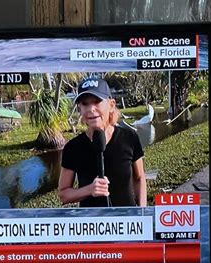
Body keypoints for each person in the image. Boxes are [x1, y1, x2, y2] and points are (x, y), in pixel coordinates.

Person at [58, 77, 147, 207]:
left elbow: (139, 178)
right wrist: (90, 190)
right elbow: (63, 194)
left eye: (97, 101)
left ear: (111, 105)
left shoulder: (129, 137)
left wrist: (141, 212)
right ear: (79, 109)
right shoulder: (73, 147)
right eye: (85, 103)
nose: (91, 109)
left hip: (127, 221)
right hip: (92, 224)